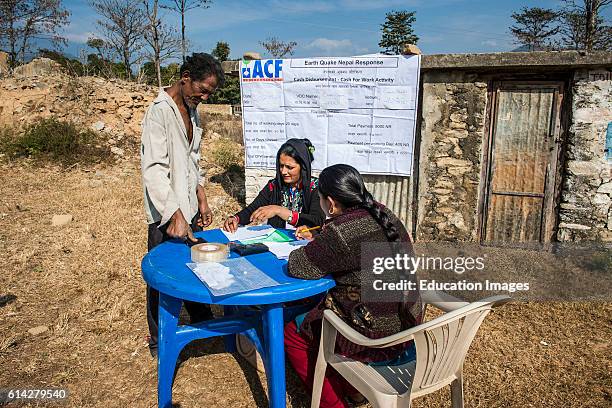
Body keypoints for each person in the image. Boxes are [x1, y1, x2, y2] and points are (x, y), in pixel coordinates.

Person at [285, 164, 423, 408]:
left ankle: (335, 403)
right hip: (405, 329)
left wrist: (315, 242)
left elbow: (299, 266)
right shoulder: (383, 212)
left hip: (375, 340)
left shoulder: (340, 231)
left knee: (292, 332)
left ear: (331, 202)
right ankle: (355, 391)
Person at [140, 52, 225, 356]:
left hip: (186, 203)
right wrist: (174, 212)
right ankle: (158, 335)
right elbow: (154, 169)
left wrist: (200, 193)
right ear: (185, 77)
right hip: (165, 209)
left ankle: (201, 319)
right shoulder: (159, 111)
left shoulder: (192, 109)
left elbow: (193, 157)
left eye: (209, 93)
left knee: (192, 263)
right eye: (202, 89)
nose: (204, 96)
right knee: (162, 273)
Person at [223, 138, 325, 232]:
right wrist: (236, 218)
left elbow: (317, 221)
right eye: (281, 166)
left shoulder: (315, 188)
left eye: (289, 167)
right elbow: (253, 209)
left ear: (303, 167)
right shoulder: (274, 186)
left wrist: (279, 211)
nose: (283, 171)